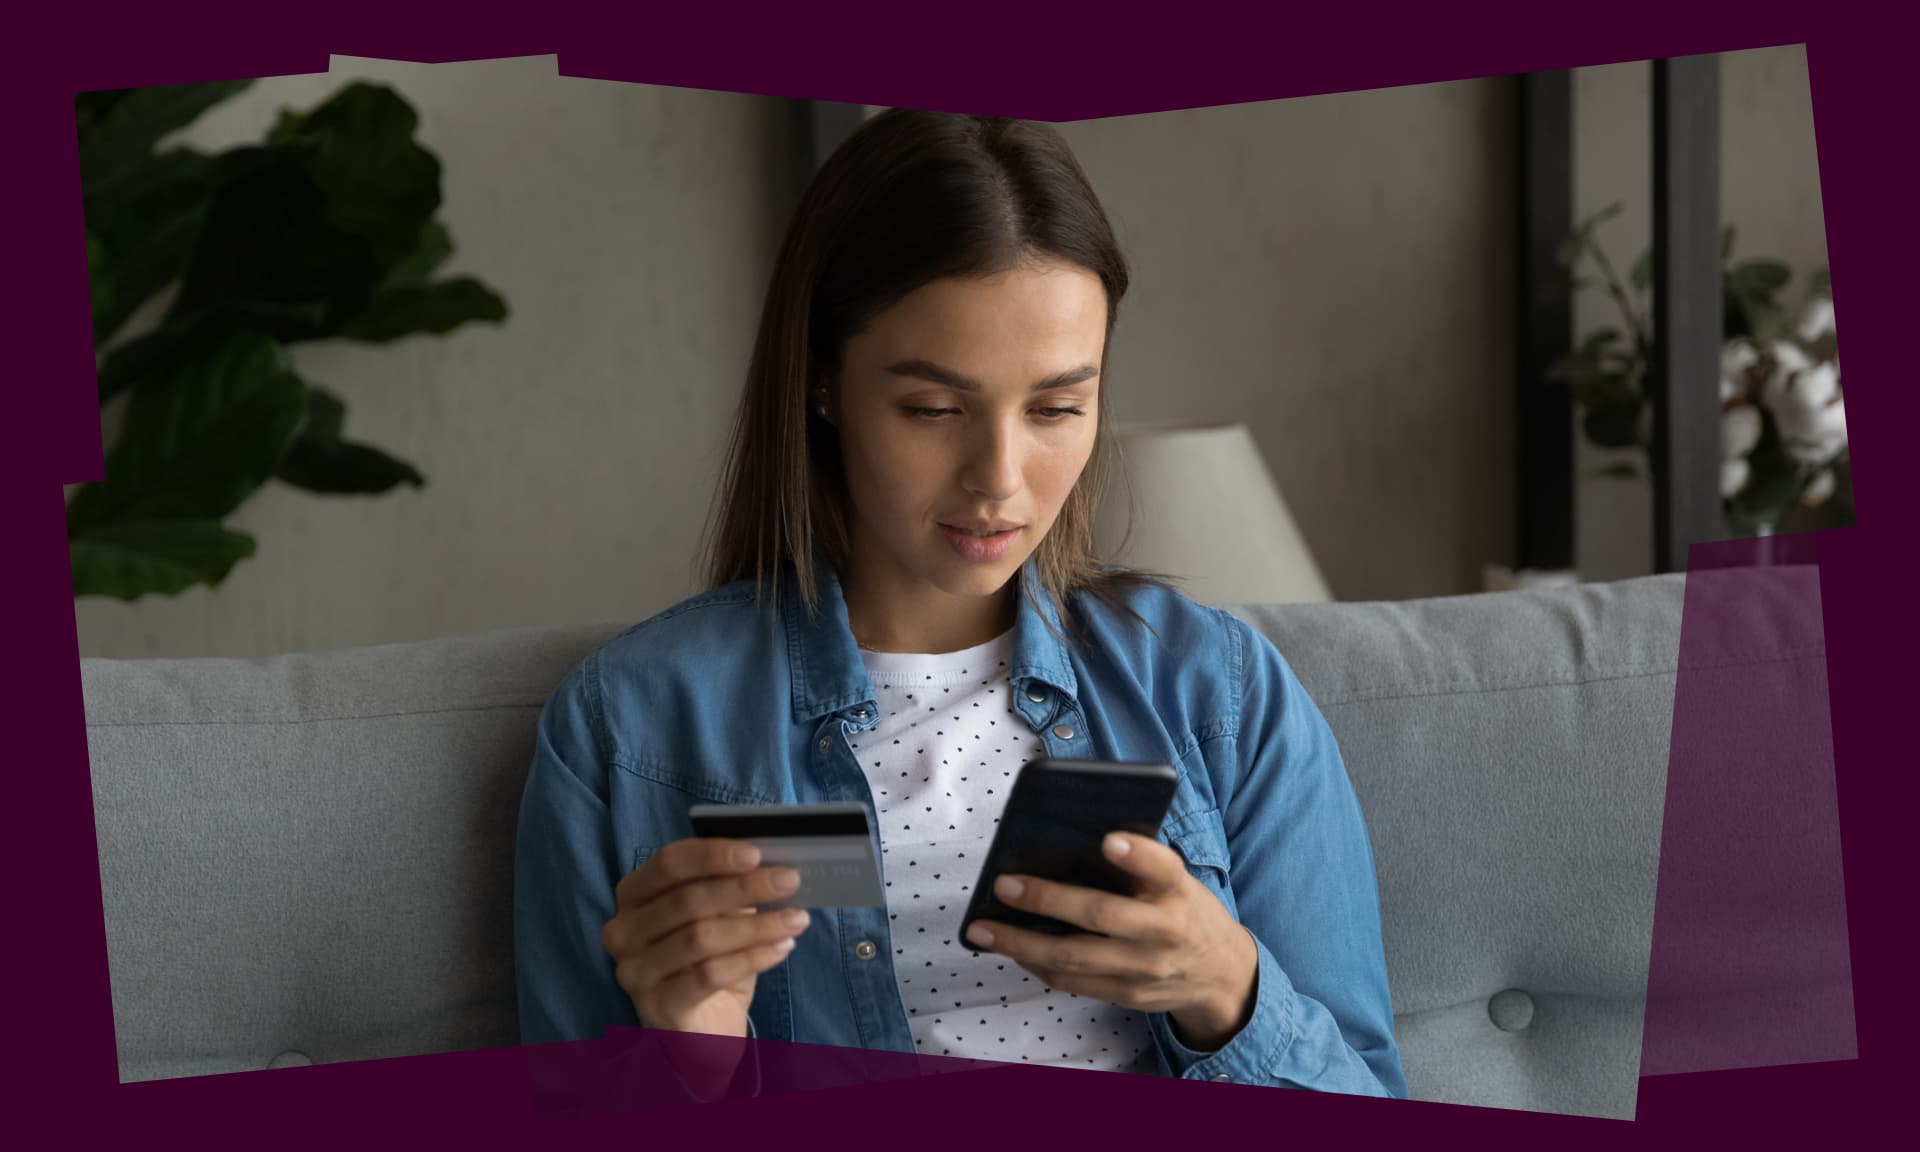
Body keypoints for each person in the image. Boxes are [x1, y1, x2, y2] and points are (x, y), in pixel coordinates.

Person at [513, 108, 1407, 1100]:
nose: (999, 480)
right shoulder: (628, 727)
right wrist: (694, 1064)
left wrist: (1230, 994)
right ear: (822, 383)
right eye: (935, 410)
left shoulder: (1221, 695)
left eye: (1058, 408)